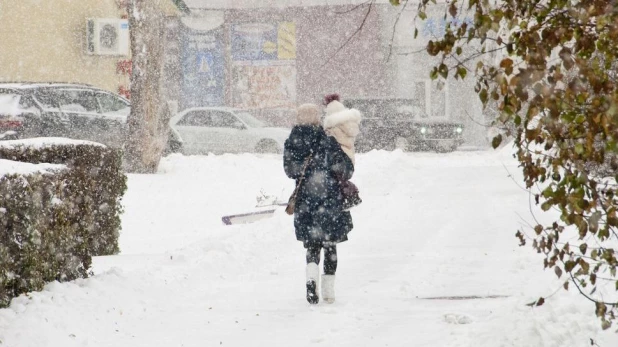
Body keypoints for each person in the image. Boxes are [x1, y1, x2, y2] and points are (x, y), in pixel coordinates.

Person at [284, 103, 355, 304]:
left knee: (312, 245)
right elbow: (345, 170)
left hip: (306, 200)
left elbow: (290, 171)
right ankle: (329, 292)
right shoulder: (327, 139)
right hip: (329, 199)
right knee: (330, 245)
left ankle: (311, 278)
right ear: (317, 119)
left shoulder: (292, 141)